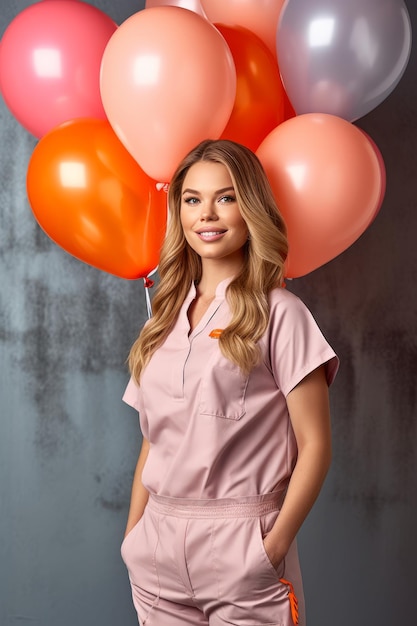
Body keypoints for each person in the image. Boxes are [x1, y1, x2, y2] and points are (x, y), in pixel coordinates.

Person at [121, 139, 339, 626]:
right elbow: (152, 440)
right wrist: (133, 535)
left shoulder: (281, 313)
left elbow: (316, 444)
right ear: (179, 211)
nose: (207, 214)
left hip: (243, 547)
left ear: (251, 207)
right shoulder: (163, 318)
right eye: (193, 199)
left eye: (226, 196)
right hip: (156, 548)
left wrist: (272, 547)